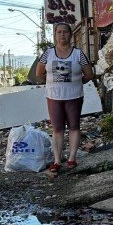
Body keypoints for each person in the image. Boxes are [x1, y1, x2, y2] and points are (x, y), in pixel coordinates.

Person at [36, 22, 94, 173]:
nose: (62, 35)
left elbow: (89, 73)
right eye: (59, 32)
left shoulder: (78, 54)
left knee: (74, 126)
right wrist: (51, 82)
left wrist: (77, 82)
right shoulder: (48, 53)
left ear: (70, 34)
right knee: (57, 128)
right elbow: (39, 73)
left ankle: (72, 158)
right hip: (54, 96)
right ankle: (57, 160)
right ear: (55, 35)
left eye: (65, 32)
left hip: (74, 96)